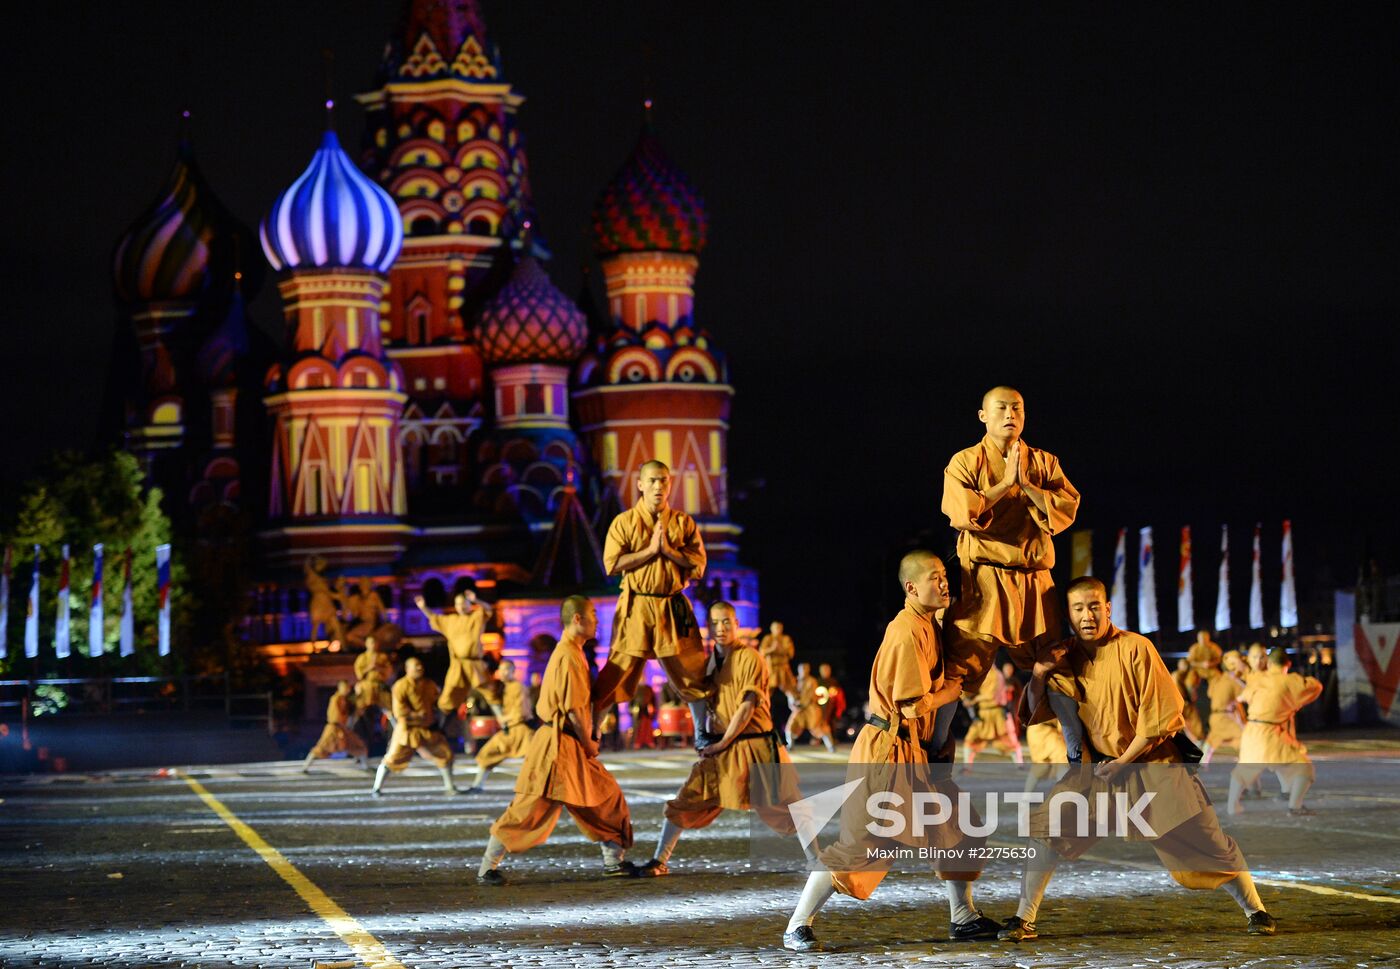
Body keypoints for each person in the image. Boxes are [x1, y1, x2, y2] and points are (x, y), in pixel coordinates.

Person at [999, 577, 1276, 942]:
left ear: (1108, 608)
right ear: (1068, 614)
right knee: (1047, 829)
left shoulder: (1135, 648)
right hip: (1096, 771)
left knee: (1205, 845)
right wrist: (1038, 673)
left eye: (1094, 606)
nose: (1088, 615)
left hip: (1150, 765)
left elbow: (1159, 718)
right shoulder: (1063, 658)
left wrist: (1124, 761)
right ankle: (1024, 919)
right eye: (1079, 608)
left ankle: (1256, 909)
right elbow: (1037, 712)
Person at [784, 551, 996, 952]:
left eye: (945, 575)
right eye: (935, 578)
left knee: (957, 828)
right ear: (912, 588)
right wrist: (951, 692)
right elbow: (912, 704)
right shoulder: (904, 630)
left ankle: (963, 917)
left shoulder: (929, 623)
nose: (944, 582)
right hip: (887, 750)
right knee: (864, 843)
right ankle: (797, 924)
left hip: (915, 750)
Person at [934, 386, 1085, 761]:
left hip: (1033, 580)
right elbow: (961, 512)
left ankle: (1079, 755)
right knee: (954, 671)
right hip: (982, 581)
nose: (1010, 414)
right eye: (1000, 408)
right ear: (983, 415)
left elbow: (1066, 510)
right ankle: (934, 754)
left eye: (1016, 407)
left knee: (1055, 665)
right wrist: (1006, 484)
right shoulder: (964, 462)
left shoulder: (1044, 462)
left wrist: (1028, 486)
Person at [637, 601, 807, 876]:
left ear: (737, 624)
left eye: (726, 621)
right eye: (714, 623)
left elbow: (747, 706)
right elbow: (701, 702)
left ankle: (820, 859)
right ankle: (659, 860)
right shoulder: (709, 663)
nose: (720, 628)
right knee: (687, 799)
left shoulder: (751, 657)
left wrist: (721, 743)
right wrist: (703, 737)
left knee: (786, 808)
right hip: (721, 747)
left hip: (754, 746)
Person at [477, 596, 637, 883]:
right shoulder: (567, 655)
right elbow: (574, 708)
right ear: (577, 619)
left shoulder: (574, 653)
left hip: (568, 743)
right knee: (528, 809)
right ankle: (487, 867)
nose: (597, 621)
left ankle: (614, 861)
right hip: (557, 745)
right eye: (592, 615)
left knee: (606, 797)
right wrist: (589, 742)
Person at [591, 461, 712, 745]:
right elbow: (612, 564)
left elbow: (698, 565)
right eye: (653, 481)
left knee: (692, 670)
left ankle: (701, 731)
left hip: (672, 605)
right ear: (640, 484)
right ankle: (593, 728)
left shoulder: (683, 523)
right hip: (637, 606)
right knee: (618, 668)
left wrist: (668, 550)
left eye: (665, 481)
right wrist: (650, 551)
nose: (659, 487)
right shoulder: (624, 522)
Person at [1228, 648, 1324, 816]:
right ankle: (1294, 806)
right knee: (1304, 769)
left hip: (1252, 731)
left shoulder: (1258, 680)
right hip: (1270, 733)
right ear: (1288, 664)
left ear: (1269, 663)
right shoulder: (1290, 681)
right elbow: (1316, 686)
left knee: (1244, 770)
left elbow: (1241, 697)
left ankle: (1232, 806)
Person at [370, 656, 458, 797]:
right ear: (407, 669)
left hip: (426, 728)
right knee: (392, 758)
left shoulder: (429, 685)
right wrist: (416, 715)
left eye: (420, 666)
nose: (419, 668)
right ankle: (376, 788)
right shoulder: (400, 686)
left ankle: (450, 786)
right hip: (407, 729)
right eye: (416, 666)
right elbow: (399, 711)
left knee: (445, 754)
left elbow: (437, 702)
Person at [415, 590, 494, 727]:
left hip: (475, 664)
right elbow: (435, 618)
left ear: (469, 605)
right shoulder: (451, 621)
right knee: (448, 695)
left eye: (464, 603)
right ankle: (438, 725)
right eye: (458, 604)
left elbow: (488, 609)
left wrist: (476, 600)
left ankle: (505, 721)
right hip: (458, 665)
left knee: (491, 693)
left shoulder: (476, 616)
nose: (461, 606)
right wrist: (423, 607)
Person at [467, 660, 534, 793]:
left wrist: (504, 718)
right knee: (487, 753)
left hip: (521, 730)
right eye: (500, 669)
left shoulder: (518, 687)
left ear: (512, 671)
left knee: (536, 760)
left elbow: (522, 712)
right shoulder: (503, 687)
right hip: (509, 730)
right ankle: (477, 785)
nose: (502, 673)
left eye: (506, 670)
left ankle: (539, 788)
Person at [960, 665, 1023, 765]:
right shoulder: (984, 673)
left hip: (995, 713)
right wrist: (965, 696)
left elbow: (990, 696)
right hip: (984, 713)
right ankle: (967, 767)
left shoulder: (993, 674)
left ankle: (1020, 764)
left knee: (1006, 741)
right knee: (971, 740)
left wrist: (972, 701)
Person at [302, 681, 369, 772]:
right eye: (345, 688)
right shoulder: (336, 699)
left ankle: (365, 766)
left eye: (348, 688)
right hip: (333, 728)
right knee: (322, 747)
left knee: (357, 745)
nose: (347, 690)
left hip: (343, 728)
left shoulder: (345, 699)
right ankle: (305, 766)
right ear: (340, 688)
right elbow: (338, 715)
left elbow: (356, 709)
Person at [1200, 650, 1246, 765]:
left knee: (1213, 740)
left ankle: (1201, 764)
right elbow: (1247, 695)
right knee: (1245, 737)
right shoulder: (1233, 681)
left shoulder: (1218, 679)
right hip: (1225, 716)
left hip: (1215, 716)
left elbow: (1210, 694)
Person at [785, 663, 836, 752]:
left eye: (805, 668)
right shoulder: (795, 681)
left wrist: (802, 703)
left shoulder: (812, 681)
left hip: (810, 709)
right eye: (802, 669)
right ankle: (790, 745)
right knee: (791, 726)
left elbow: (811, 695)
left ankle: (831, 745)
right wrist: (793, 703)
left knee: (819, 727)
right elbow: (790, 693)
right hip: (799, 710)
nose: (803, 670)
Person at [353, 635, 395, 728]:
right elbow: (359, 674)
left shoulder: (383, 657)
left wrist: (378, 667)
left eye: (375, 643)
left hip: (380, 686)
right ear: (366, 644)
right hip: (367, 686)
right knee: (362, 709)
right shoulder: (362, 657)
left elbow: (389, 671)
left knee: (389, 711)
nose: (373, 645)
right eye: (371, 643)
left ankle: (393, 728)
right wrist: (369, 667)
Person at [760, 621, 798, 700]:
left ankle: (797, 706)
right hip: (771, 668)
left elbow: (791, 654)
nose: (777, 629)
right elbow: (761, 652)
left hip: (783, 667)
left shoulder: (786, 639)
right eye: (775, 627)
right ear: (771, 628)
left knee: (790, 689)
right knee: (766, 690)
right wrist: (772, 649)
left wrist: (781, 649)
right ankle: (762, 707)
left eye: (779, 628)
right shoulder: (768, 638)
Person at [1172, 658, 1206, 744]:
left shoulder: (1181, 675)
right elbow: (1190, 688)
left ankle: (1196, 739)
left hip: (1181, 703)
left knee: (1188, 721)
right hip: (1181, 703)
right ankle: (1195, 739)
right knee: (1187, 722)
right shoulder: (1179, 675)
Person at [816, 662, 846, 732]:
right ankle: (818, 738)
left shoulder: (834, 682)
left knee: (832, 722)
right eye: (824, 670)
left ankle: (833, 737)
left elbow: (839, 694)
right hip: (820, 707)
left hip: (832, 707)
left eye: (827, 670)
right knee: (818, 722)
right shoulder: (817, 682)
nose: (826, 671)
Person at [628, 681, 658, 749]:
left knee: (648, 727)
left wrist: (653, 708)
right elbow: (631, 702)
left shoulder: (648, 688)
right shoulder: (635, 688)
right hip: (638, 712)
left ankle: (649, 741)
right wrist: (632, 709)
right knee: (638, 728)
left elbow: (653, 700)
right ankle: (637, 743)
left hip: (647, 711)